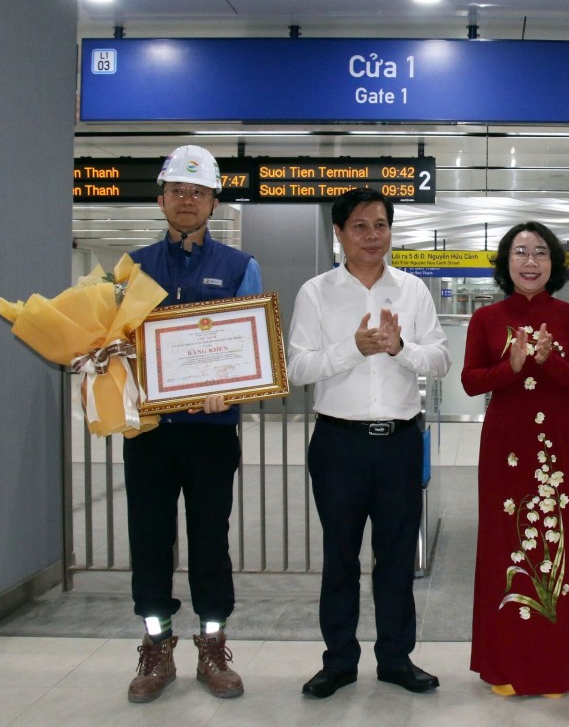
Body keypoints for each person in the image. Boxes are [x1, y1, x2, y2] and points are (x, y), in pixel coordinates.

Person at [287, 187, 451, 699]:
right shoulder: (316, 292)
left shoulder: (413, 292)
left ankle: (396, 659)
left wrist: (401, 349)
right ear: (338, 233)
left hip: (400, 442)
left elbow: (441, 360)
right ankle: (337, 662)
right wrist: (350, 349)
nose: (372, 236)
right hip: (339, 444)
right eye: (359, 226)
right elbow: (296, 369)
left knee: (397, 557)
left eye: (380, 225)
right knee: (340, 557)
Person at [124, 145, 262, 703]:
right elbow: (117, 343)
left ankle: (212, 644)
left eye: (198, 191)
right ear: (162, 199)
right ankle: (156, 648)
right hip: (149, 432)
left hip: (211, 432)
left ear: (213, 200)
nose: (187, 199)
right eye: (178, 191)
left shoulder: (237, 267)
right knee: (149, 538)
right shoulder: (132, 267)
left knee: (211, 537)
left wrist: (232, 387)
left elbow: (255, 349)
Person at [462, 222, 569, 697]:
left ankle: (556, 665)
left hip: (557, 448)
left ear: (554, 263)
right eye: (520, 252)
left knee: (558, 544)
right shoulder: (486, 318)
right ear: (506, 262)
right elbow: (471, 381)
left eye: (540, 252)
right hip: (504, 446)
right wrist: (513, 366)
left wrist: (548, 361)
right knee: (506, 543)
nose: (530, 261)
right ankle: (504, 663)